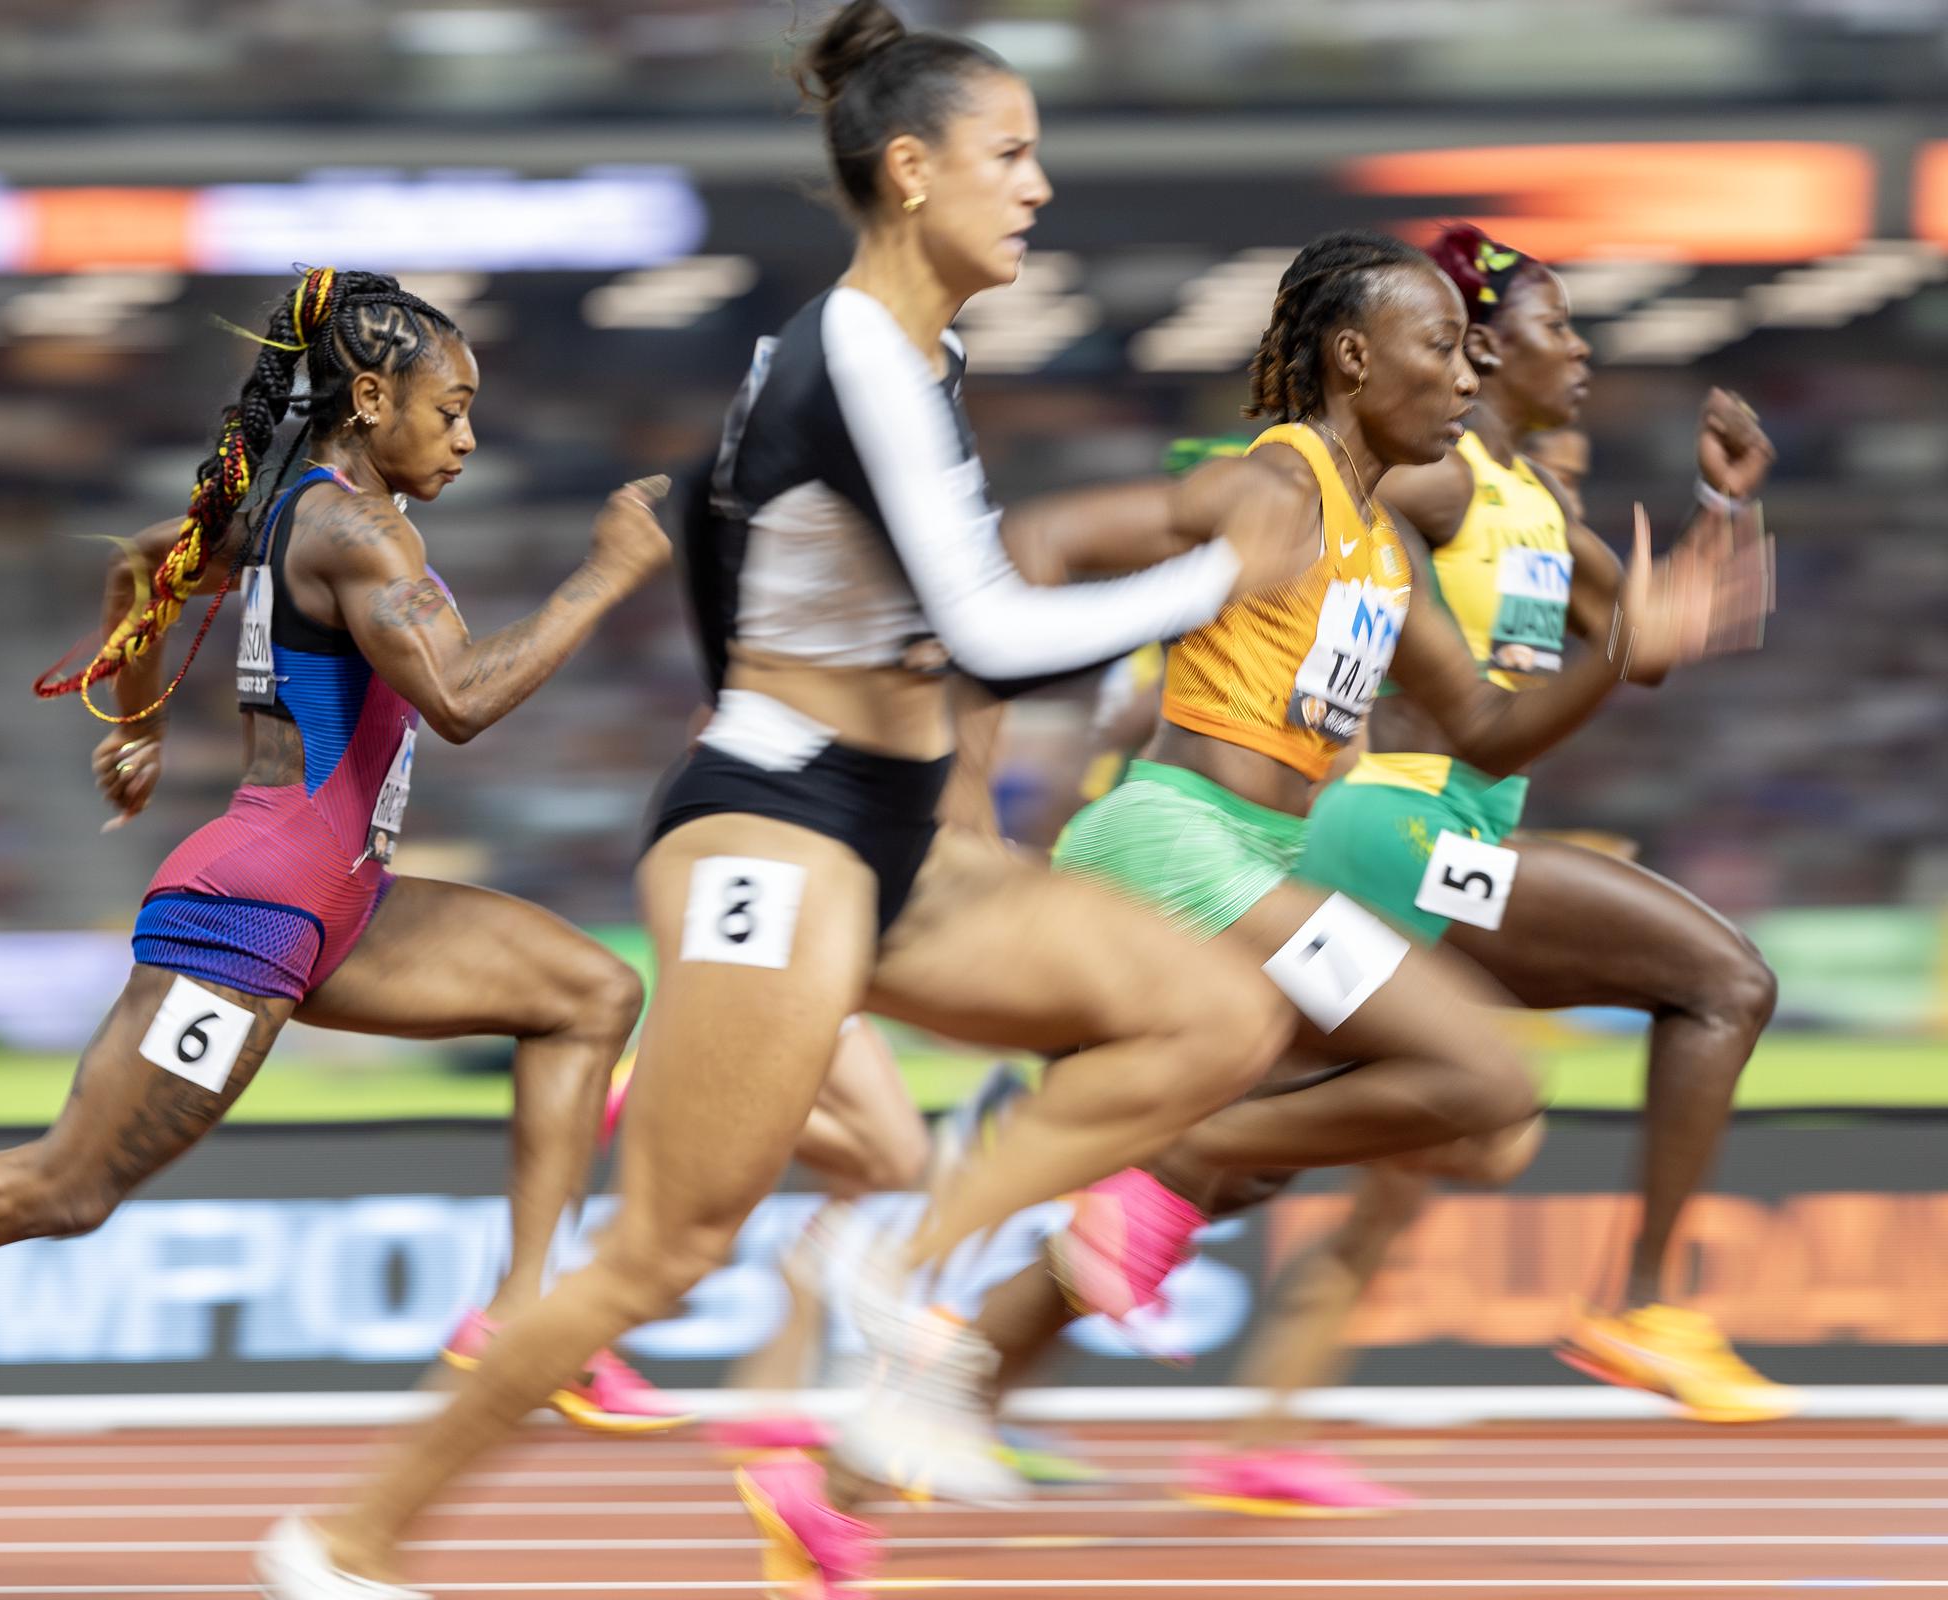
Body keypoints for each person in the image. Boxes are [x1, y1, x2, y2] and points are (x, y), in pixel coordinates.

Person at [257, 6, 1311, 1592]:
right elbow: (988, 632)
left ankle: (905, 1255)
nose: (1037, 187)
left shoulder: (889, 360)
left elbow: (728, 531)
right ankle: (341, 1539)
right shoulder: (852, 357)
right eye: (1009, 154)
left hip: (880, 833)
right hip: (776, 833)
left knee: (1220, 1020)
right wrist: (1219, 575)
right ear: (910, 169)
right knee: (665, 1253)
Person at [740, 219, 1772, 1591]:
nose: (1462, 382)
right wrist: (968, 786)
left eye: (1473, 360)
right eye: (1437, 354)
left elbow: (1487, 729)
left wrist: (1625, 649)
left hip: (1260, 863)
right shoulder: (1278, 486)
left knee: (1465, 1124)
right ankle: (1140, 1161)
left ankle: (851, 1473)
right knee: (1469, 1075)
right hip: (1182, 846)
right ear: (1353, 359)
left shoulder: (1378, 548)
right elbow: (1040, 540)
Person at [0, 267, 682, 1459]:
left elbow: (144, 566)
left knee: (591, 992)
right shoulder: (356, 530)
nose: (471, 437)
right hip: (257, 912)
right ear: (373, 399)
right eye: (453, 410)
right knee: (67, 1188)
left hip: (342, 898)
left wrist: (137, 720)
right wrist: (607, 573)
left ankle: (525, 1315)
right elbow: (462, 699)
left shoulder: (297, 509)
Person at [1171, 225, 1789, 1513]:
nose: (1583, 353)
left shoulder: (1541, 509)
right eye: (1559, 328)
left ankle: (1236, 1387)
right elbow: (1300, 507)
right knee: (1723, 979)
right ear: (1484, 348)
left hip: (1447, 840)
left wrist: (1724, 511)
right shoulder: (1435, 483)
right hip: (1391, 828)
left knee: (1445, 1140)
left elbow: (1647, 641)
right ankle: (1649, 1304)